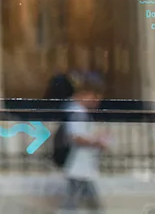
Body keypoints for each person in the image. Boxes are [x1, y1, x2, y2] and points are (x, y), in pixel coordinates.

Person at [59, 73, 108, 214]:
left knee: (81, 201)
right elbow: (75, 137)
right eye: (94, 97)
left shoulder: (78, 111)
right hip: (78, 164)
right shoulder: (76, 112)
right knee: (75, 202)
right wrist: (96, 141)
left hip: (82, 166)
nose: (96, 102)